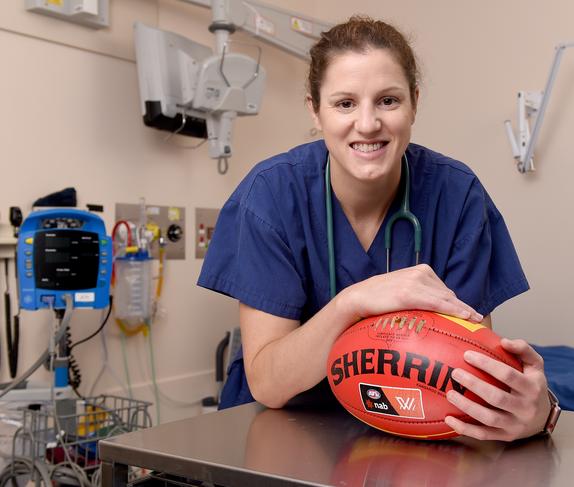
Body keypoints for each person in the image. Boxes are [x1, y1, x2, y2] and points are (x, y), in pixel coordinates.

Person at [198, 16, 554, 441]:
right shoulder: (272, 195)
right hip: (280, 433)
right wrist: (354, 302)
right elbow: (269, 384)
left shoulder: (456, 196)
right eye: (344, 103)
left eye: (388, 100)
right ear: (314, 110)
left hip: (404, 437)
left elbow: (465, 370)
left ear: (414, 103)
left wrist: (537, 412)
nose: (367, 124)